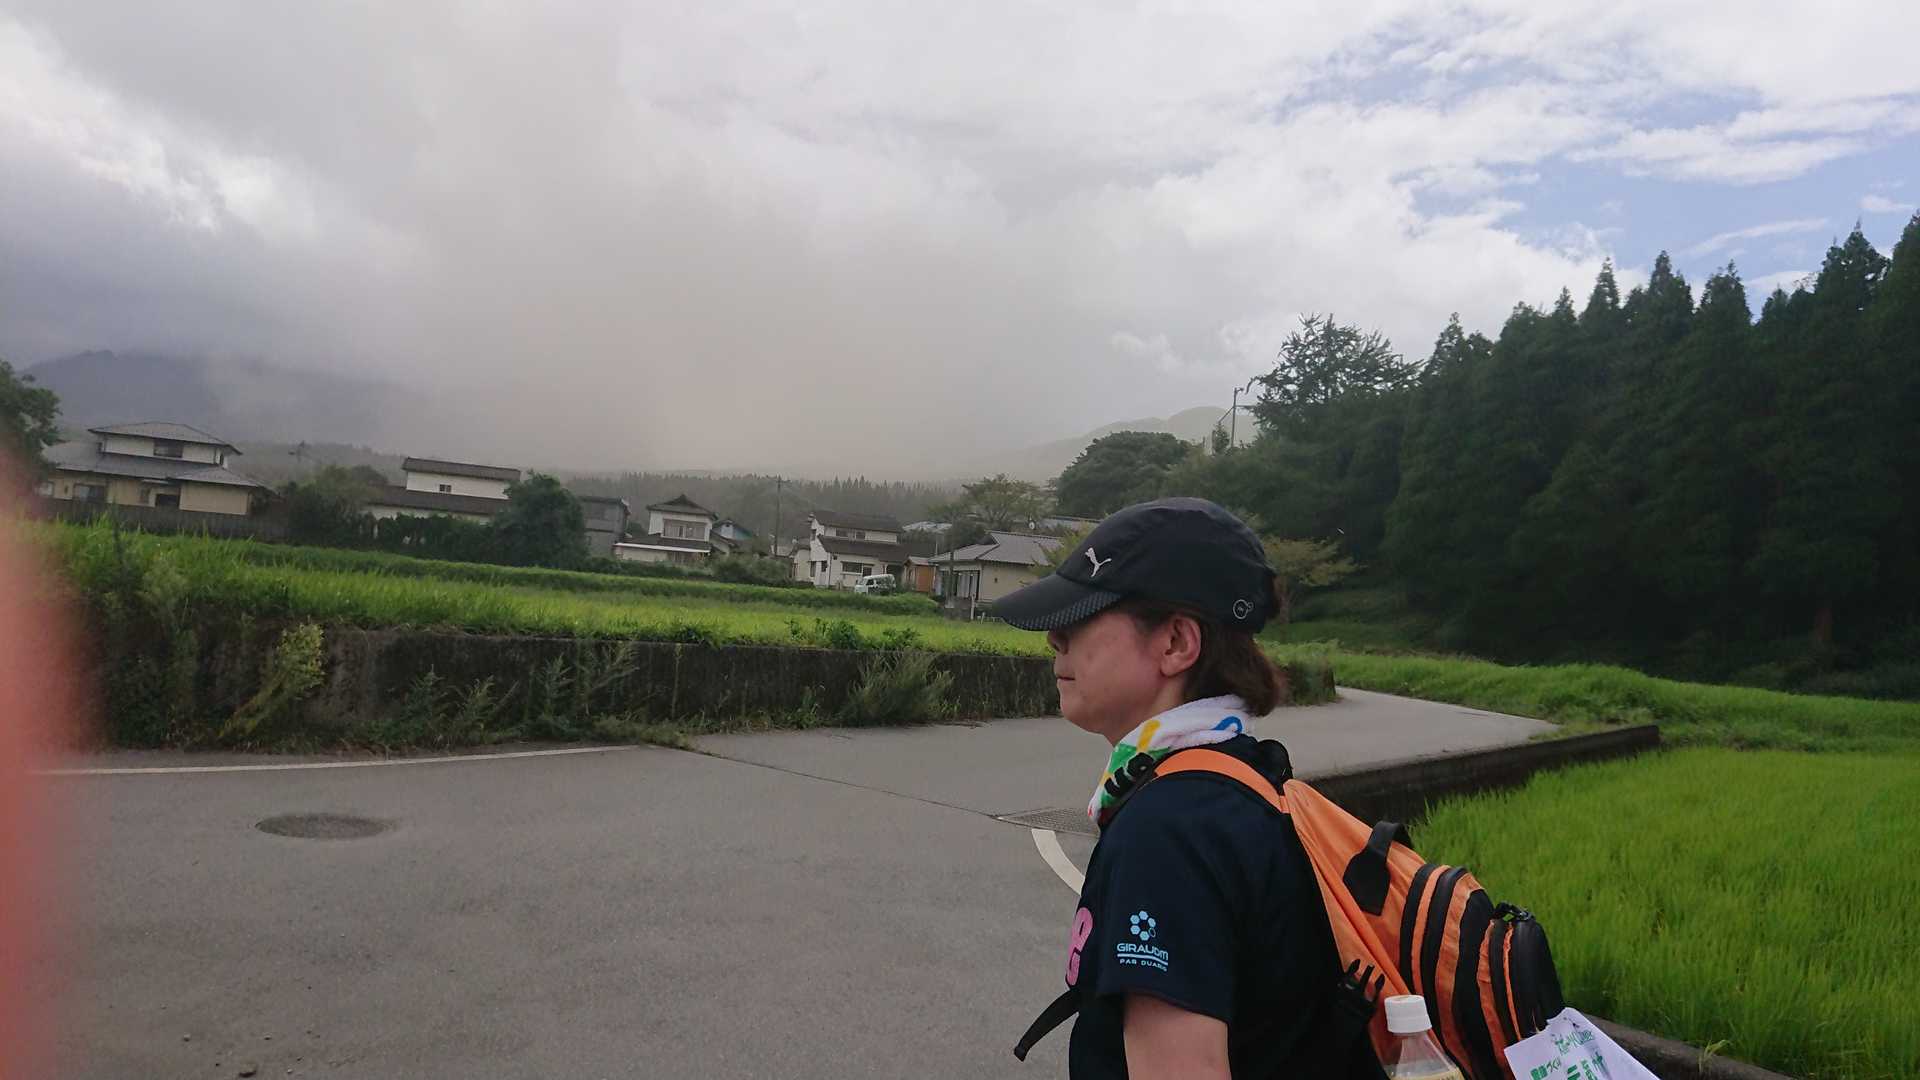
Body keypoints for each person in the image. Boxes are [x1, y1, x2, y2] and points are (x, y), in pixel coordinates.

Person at [996, 498, 1346, 1079]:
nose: (1055, 638)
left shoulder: (1169, 832)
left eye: (1082, 616)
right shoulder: (1240, 778)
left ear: (1177, 644)